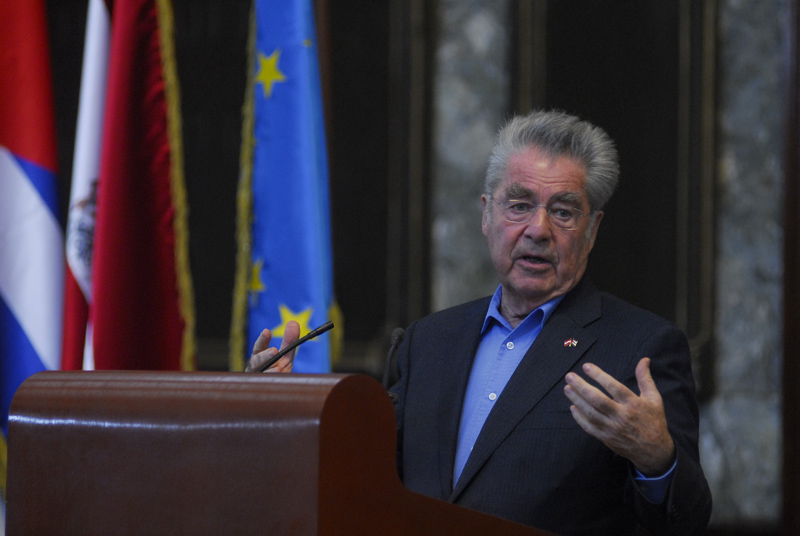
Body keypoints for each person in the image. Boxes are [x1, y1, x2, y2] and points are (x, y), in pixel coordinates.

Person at [246, 110, 712, 536]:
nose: (538, 229)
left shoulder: (639, 347)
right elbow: (367, 480)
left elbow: (686, 520)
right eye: (519, 204)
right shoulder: (428, 341)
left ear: (591, 232)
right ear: (487, 214)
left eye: (564, 212)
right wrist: (283, 413)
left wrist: (657, 459)